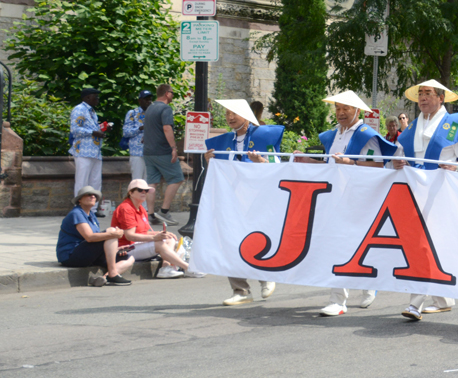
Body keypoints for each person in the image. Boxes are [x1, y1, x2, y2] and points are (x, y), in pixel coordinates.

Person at [297, 91, 396, 317]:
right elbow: (328, 164)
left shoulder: (366, 135)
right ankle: (338, 299)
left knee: (359, 244)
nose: (341, 113)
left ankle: (369, 282)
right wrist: (306, 159)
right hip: (334, 196)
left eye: (346, 109)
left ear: (357, 111)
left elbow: (377, 165)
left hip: (359, 198)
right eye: (338, 108)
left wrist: (349, 161)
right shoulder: (332, 135)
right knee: (336, 244)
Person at [393, 80, 458, 321]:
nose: (422, 98)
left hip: (444, 194)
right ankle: (439, 299)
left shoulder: (453, 125)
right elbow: (399, 156)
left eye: (428, 93)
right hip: (416, 193)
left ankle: (417, 302)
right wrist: (398, 162)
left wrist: (457, 166)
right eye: (420, 93)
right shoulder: (410, 129)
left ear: (441, 98)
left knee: (430, 244)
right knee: (422, 244)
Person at [204, 99, 286, 305]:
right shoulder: (223, 142)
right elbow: (218, 173)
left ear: (247, 116)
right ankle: (240, 290)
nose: (230, 117)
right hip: (231, 200)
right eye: (227, 113)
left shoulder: (264, 136)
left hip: (257, 199)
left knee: (258, 239)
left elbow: (276, 165)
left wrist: (261, 161)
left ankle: (266, 277)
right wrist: (209, 163)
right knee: (230, 241)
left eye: (235, 113)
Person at [111, 179, 202, 278]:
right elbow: (130, 236)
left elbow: (143, 232)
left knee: (169, 239)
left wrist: (160, 234)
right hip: (124, 249)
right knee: (159, 244)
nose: (144, 193)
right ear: (130, 193)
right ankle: (188, 268)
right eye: (140, 190)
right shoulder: (126, 208)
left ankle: (165, 268)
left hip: (136, 245)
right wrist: (155, 238)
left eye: (146, 191)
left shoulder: (140, 208)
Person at [57, 186, 134, 286]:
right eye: (89, 194)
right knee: (111, 231)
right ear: (79, 199)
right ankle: (113, 274)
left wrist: (115, 248)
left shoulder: (92, 215)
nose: (93, 196)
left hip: (87, 254)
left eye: (95, 196)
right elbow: (90, 237)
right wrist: (113, 234)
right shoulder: (76, 213)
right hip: (70, 255)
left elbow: (99, 238)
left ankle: (105, 277)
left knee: (128, 257)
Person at [143, 84, 183, 226]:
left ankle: (151, 215)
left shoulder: (150, 108)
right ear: (167, 93)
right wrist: (173, 148)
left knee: (152, 182)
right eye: (172, 93)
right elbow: (167, 128)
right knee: (177, 178)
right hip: (162, 151)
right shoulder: (165, 108)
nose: (173, 95)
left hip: (148, 152)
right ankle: (164, 212)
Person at [70, 87, 109, 216]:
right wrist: (93, 132)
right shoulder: (79, 109)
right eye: (95, 97)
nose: (97, 99)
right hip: (83, 151)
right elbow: (75, 129)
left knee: (95, 181)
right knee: (82, 181)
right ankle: (79, 209)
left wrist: (102, 128)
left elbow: (92, 128)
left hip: (95, 151)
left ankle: (92, 209)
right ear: (87, 98)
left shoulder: (92, 111)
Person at [122, 90, 154, 182]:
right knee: (137, 181)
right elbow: (126, 132)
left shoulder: (153, 114)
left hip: (150, 152)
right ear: (140, 100)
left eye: (150, 99)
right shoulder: (132, 113)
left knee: (149, 182)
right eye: (146, 99)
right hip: (137, 152)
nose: (149, 102)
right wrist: (140, 128)